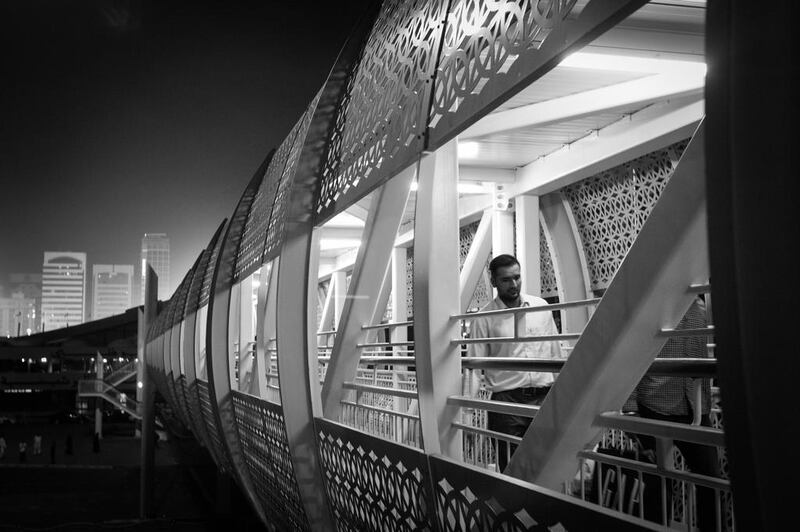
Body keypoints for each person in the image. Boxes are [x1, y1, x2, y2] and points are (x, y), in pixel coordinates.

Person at [468, 254, 564, 471]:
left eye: (517, 277)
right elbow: (474, 367)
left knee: (546, 463)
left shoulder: (540, 306)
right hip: (506, 401)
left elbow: (555, 351)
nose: (514, 284)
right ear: (494, 282)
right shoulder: (484, 318)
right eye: (506, 280)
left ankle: (541, 505)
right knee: (511, 466)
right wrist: (467, 409)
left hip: (544, 396)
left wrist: (563, 393)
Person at [635, 295, 720, 531]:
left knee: (711, 479)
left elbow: (702, 358)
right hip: (654, 406)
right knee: (659, 484)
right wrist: (633, 416)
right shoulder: (651, 304)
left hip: (694, 409)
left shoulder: (701, 307)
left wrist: (706, 408)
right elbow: (633, 357)